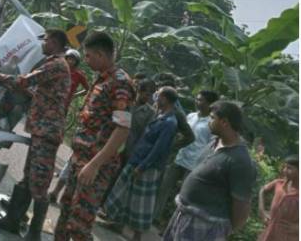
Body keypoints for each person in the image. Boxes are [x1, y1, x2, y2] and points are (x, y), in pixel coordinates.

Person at [0, 29, 70, 241]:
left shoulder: (56, 64)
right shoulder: (55, 64)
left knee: (39, 183)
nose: (43, 43)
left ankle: (34, 234)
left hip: (47, 131)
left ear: (56, 42)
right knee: (28, 178)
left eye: (47, 40)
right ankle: (12, 221)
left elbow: (24, 81)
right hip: (42, 130)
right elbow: (39, 92)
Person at [53, 31, 134, 241]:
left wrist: (95, 165)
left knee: (79, 225)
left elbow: (122, 129)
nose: (85, 60)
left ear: (100, 54)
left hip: (95, 165)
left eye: (88, 56)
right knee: (66, 214)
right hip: (80, 158)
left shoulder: (121, 83)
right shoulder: (102, 79)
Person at [162, 101, 256, 241]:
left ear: (224, 122)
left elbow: (242, 206)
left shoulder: (240, 160)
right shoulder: (215, 142)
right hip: (184, 216)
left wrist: (224, 230)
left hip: (205, 227)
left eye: (212, 118)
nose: (209, 122)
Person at [104, 86, 179, 241]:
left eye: (158, 95)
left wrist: (143, 166)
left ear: (165, 99)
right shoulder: (159, 115)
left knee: (141, 202)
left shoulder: (170, 122)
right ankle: (118, 223)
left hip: (147, 166)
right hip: (137, 159)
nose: (155, 97)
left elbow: (159, 149)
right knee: (124, 193)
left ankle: (137, 237)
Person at [153, 90, 220, 225]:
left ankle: (172, 224)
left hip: (195, 163)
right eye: (197, 98)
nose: (197, 102)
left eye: (201, 100)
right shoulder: (191, 116)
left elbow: (211, 146)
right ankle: (154, 217)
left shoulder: (211, 123)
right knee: (164, 188)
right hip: (179, 157)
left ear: (209, 104)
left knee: (184, 196)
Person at [47, 48, 89, 204]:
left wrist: (74, 96)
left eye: (73, 60)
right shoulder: (58, 68)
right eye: (68, 58)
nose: (70, 61)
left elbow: (87, 89)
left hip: (63, 107)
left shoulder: (78, 75)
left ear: (76, 62)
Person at [258, 155, 298, 241]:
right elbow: (262, 190)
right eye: (284, 167)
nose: (285, 171)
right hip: (270, 233)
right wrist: (262, 210)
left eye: (289, 168)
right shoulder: (279, 184)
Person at [124, 79, 157, 161]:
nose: (148, 97)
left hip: (129, 149)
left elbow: (143, 134)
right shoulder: (126, 102)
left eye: (150, 95)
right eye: (146, 94)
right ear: (139, 91)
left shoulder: (150, 113)